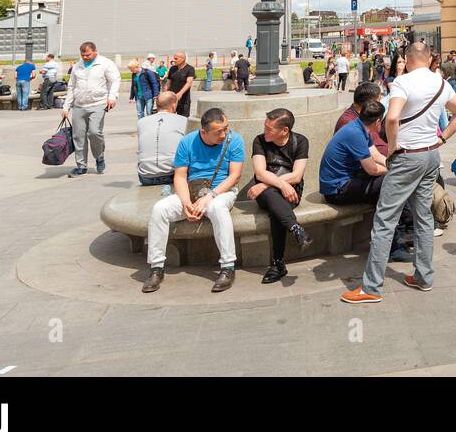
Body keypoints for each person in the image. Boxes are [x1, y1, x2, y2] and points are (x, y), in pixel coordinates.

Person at [341, 41, 456, 304]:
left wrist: (392, 147)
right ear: (429, 58)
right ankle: (423, 276)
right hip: (431, 154)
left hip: (407, 156)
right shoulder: (441, 83)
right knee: (423, 217)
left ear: (408, 59)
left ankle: (372, 287)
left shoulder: (402, 83)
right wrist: (442, 139)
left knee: (385, 219)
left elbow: (392, 117)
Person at [141, 107, 245, 294]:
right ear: (203, 132)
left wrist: (210, 196)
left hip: (222, 191)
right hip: (192, 191)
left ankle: (228, 266)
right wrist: (186, 201)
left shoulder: (234, 140)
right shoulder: (187, 142)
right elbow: (180, 176)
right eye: (218, 132)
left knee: (217, 208)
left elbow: (235, 176)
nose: (224, 134)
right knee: (159, 209)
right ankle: (156, 267)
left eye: (226, 128)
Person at [246, 108, 312, 283]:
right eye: (265, 127)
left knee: (277, 209)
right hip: (266, 194)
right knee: (272, 196)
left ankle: (278, 264)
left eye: (270, 129)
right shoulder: (259, 141)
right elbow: (259, 172)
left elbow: (297, 176)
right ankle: (295, 229)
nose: (265, 131)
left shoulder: (300, 141)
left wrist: (269, 184)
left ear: (284, 131)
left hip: (289, 191)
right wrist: (278, 184)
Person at [62, 41, 120, 177]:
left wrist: (112, 97)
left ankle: (99, 156)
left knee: (94, 132)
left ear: (95, 51)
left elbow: (115, 80)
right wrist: (66, 107)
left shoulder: (105, 63)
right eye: (83, 55)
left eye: (87, 55)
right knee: (78, 136)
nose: (85, 57)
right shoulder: (77, 66)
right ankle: (81, 166)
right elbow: (71, 87)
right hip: (79, 105)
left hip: (99, 103)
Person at [321, 99, 389, 204]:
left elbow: (376, 155)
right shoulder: (355, 134)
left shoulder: (358, 126)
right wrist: (393, 170)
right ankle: (406, 219)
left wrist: (392, 164)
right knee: (391, 180)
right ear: (378, 121)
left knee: (389, 184)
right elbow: (372, 170)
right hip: (337, 190)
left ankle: (401, 218)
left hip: (348, 181)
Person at [136, 91, 187, 186]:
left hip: (145, 176)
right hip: (172, 174)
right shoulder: (183, 120)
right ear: (173, 105)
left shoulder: (141, 122)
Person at [165, 51, 196, 118]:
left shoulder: (190, 69)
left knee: (183, 119)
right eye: (174, 58)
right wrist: (164, 93)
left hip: (184, 99)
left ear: (183, 59)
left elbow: (189, 83)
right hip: (172, 99)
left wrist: (180, 93)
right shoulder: (172, 68)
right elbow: (168, 82)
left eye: (176, 59)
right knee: (169, 118)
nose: (174, 60)